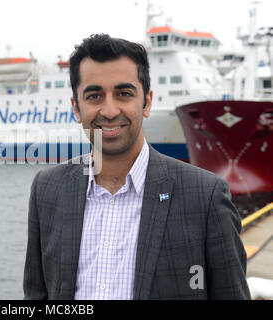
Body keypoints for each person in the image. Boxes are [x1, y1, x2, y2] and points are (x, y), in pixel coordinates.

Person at [23, 34, 250, 300]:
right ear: (76, 108)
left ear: (147, 102)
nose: (109, 111)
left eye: (124, 94)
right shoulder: (47, 189)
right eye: (94, 96)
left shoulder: (205, 196)